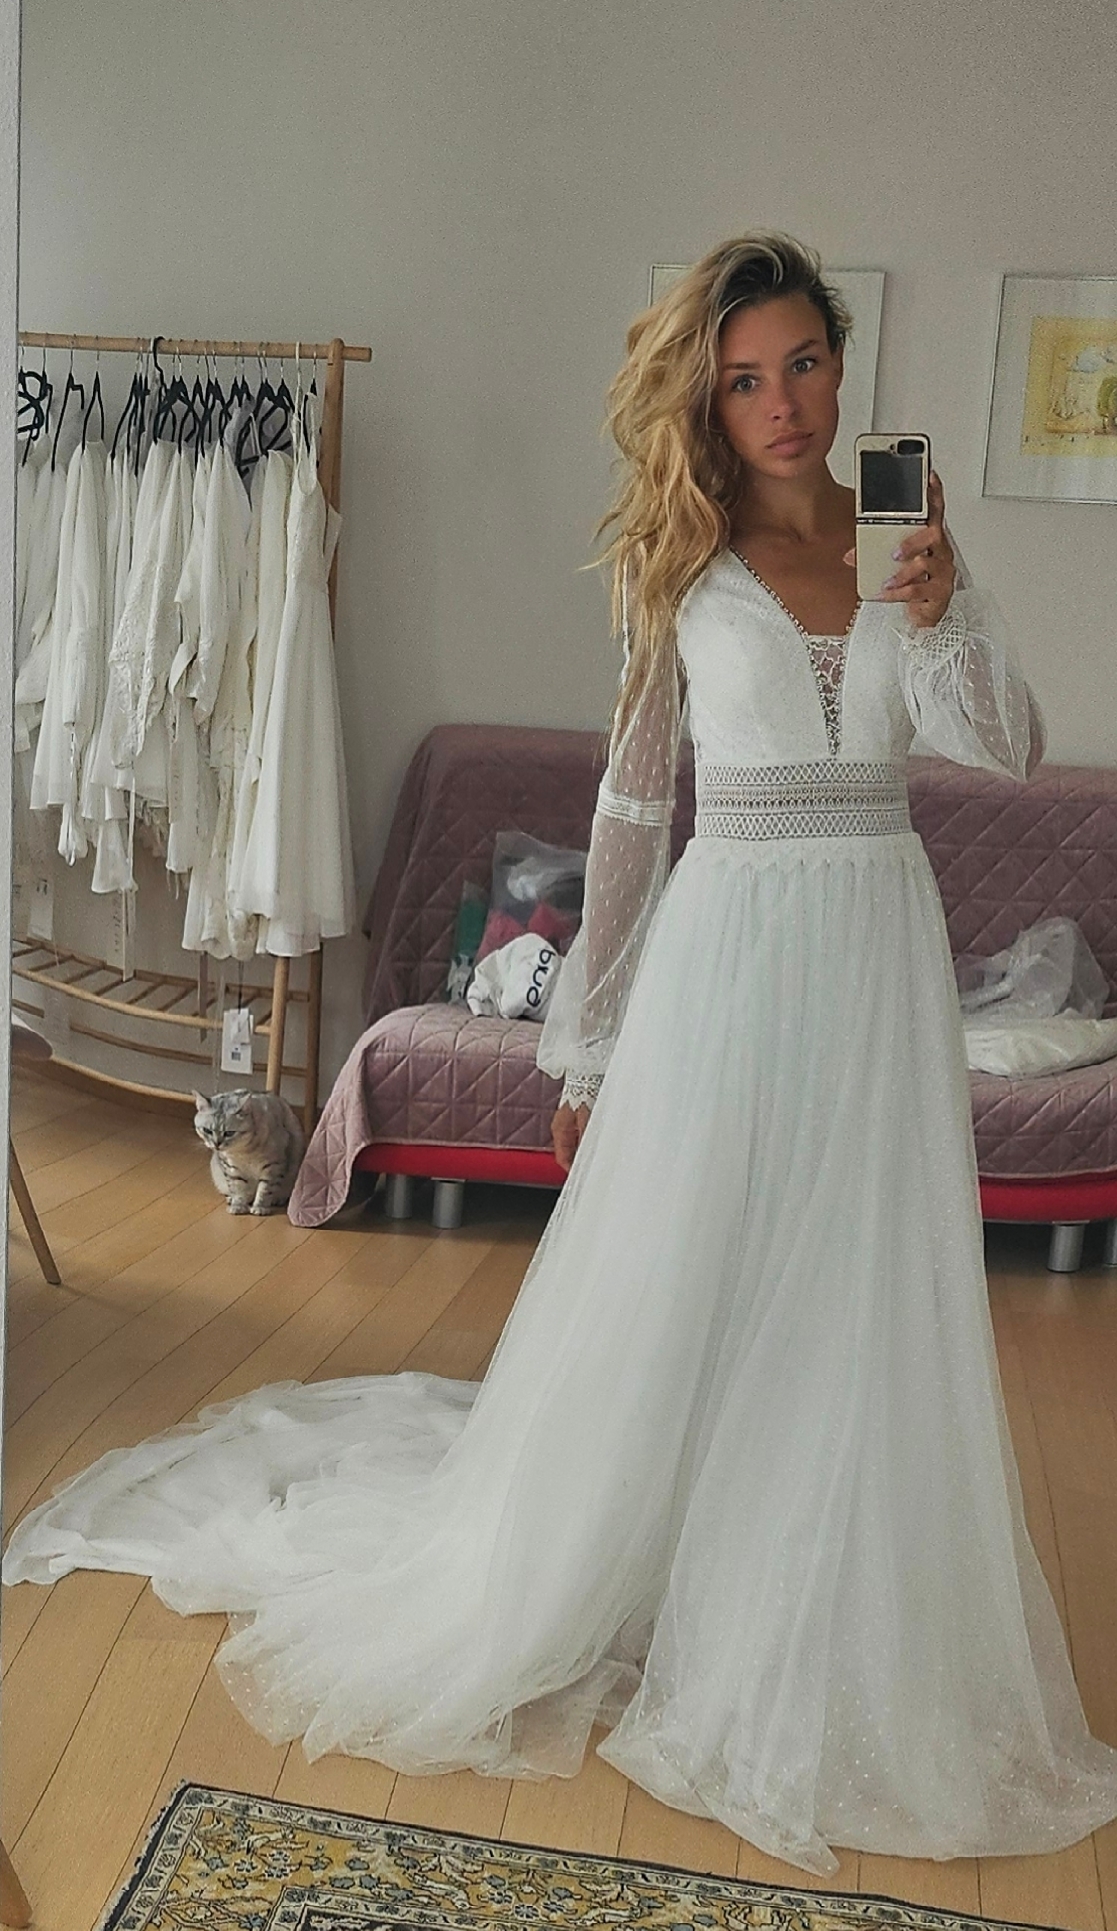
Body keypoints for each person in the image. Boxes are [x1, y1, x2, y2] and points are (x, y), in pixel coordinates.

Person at [6, 232, 1117, 1879]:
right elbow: (630, 814)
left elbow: (1003, 749)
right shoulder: (681, 564)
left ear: (840, 363)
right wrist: (581, 1055)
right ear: (705, 401)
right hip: (730, 948)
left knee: (852, 1273)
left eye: (803, 364)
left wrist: (945, 609)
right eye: (743, 380)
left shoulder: (905, 541)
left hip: (876, 946)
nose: (783, 404)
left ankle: (814, 1588)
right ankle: (638, 1558)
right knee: (693, 1264)